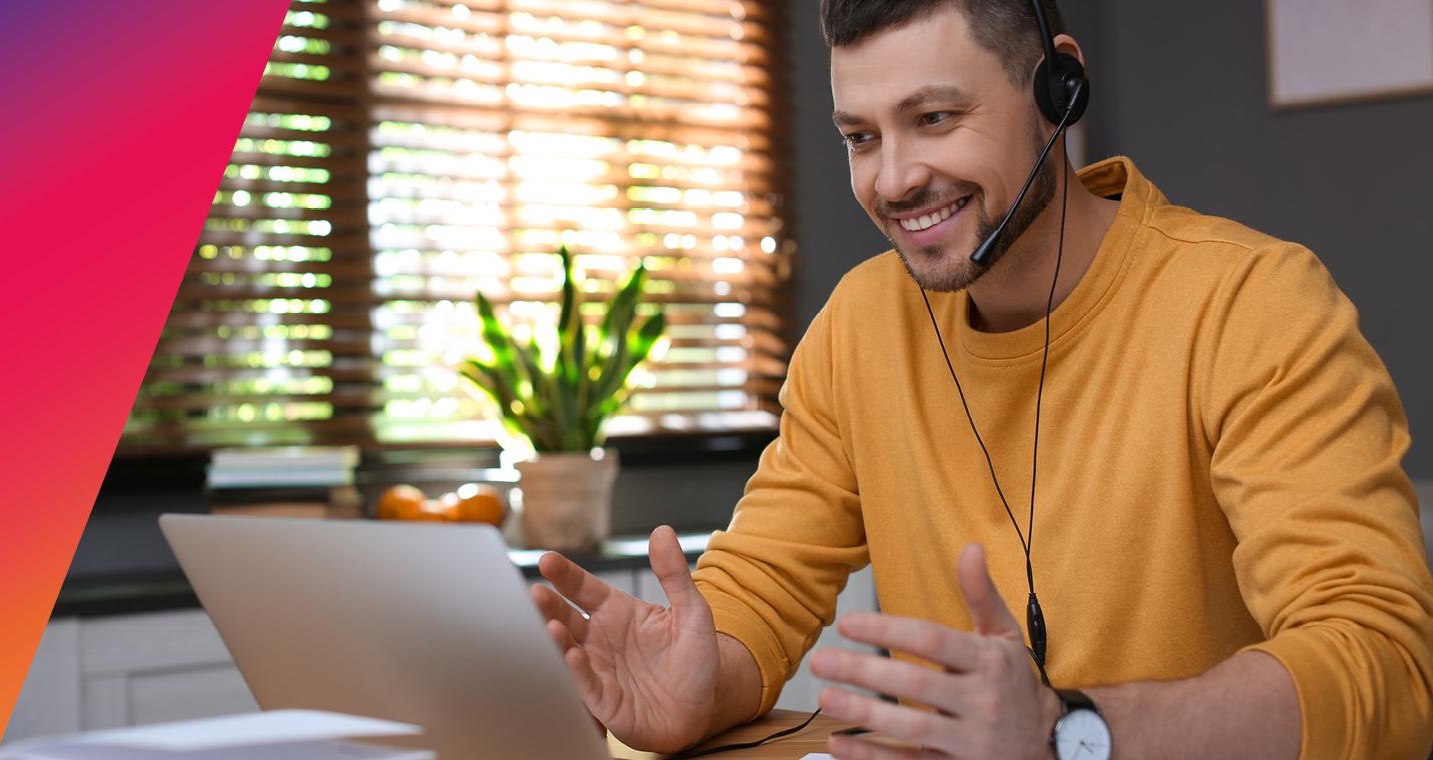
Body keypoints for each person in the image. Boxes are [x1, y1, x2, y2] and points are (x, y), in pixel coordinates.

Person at [529, 1, 1433, 758]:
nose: (895, 179)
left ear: (1058, 88)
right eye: (860, 136)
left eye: (933, 118)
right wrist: (704, 677)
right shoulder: (858, 327)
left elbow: (1383, 664)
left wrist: (1070, 733)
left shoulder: (1253, 305)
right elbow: (765, 581)